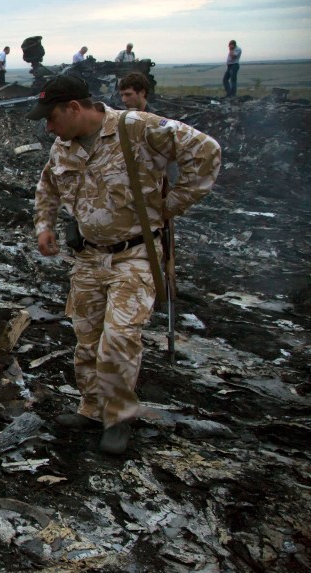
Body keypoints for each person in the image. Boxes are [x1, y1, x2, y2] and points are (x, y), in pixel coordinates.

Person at [28, 75, 221, 454]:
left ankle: (118, 418)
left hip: (135, 254)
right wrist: (44, 226)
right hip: (88, 256)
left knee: (118, 339)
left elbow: (207, 151)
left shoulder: (137, 127)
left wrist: (171, 205)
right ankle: (91, 408)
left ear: (74, 108)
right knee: (87, 337)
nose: (48, 127)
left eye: (52, 118)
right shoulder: (62, 146)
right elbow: (47, 186)